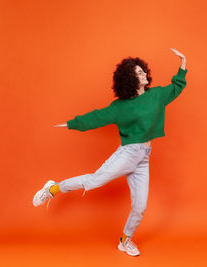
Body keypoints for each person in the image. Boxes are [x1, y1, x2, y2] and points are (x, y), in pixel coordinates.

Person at [32, 48, 187, 256]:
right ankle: (52, 189)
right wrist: (71, 124)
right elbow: (97, 117)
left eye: (143, 71)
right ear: (129, 79)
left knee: (140, 207)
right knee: (94, 181)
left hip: (143, 158)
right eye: (137, 72)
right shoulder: (120, 107)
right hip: (128, 153)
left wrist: (183, 64)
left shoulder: (157, 95)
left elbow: (176, 87)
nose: (142, 74)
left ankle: (125, 241)